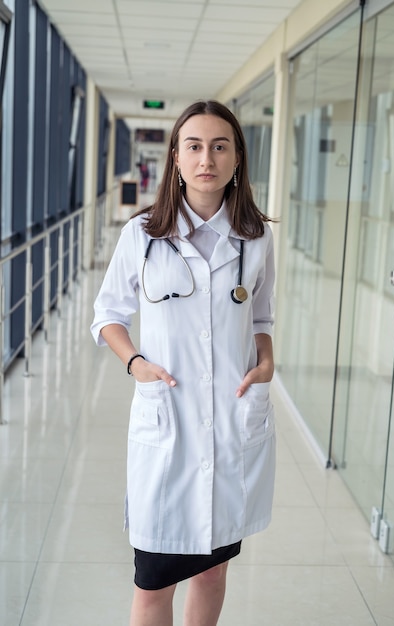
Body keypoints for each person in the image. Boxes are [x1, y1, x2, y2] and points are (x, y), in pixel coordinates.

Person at [91, 100, 277, 626]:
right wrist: (136, 364)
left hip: (229, 423)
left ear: (237, 157)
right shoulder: (142, 234)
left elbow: (262, 317)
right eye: (194, 146)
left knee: (213, 572)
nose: (207, 159)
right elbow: (107, 314)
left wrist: (265, 363)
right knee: (152, 583)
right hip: (167, 422)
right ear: (176, 157)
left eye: (220, 146)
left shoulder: (256, 238)